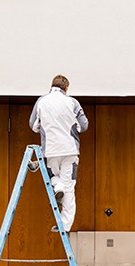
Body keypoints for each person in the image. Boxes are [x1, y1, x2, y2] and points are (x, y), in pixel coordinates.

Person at [29, 74, 88, 232]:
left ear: (51, 86)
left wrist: (46, 127)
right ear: (66, 88)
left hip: (51, 150)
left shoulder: (42, 101)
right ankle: (65, 225)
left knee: (51, 176)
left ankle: (58, 186)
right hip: (70, 150)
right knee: (70, 187)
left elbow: (33, 125)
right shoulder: (72, 102)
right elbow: (84, 125)